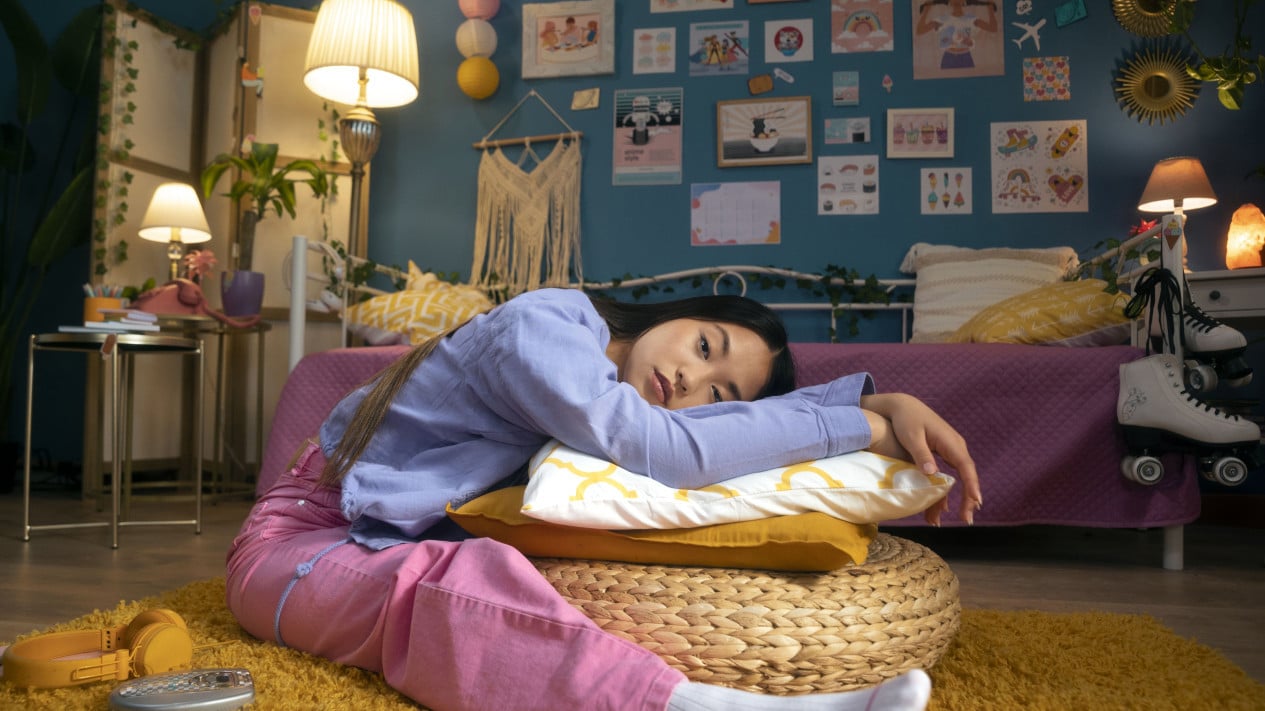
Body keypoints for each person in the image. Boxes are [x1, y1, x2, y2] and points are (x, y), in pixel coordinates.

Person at [226, 288, 981, 711]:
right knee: (451, 584)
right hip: (294, 543)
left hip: (377, 537)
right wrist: (863, 426)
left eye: (717, 391)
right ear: (672, 311)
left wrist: (881, 400)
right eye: (704, 345)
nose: (690, 379)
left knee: (476, 574)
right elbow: (670, 448)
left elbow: (707, 431)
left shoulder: (615, 387)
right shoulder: (544, 328)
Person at [915, 0, 998, 71]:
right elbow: (919, 31)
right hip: (948, 58)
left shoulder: (972, 19)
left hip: (966, 57)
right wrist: (926, 10)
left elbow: (993, 28)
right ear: (949, 2)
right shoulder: (942, 19)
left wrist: (990, 8)